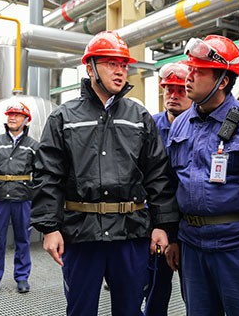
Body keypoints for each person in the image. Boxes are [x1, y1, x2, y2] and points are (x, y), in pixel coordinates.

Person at [31, 30, 180, 316]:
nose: (120, 71)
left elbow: (157, 174)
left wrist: (163, 225)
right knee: (81, 310)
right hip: (81, 234)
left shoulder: (139, 117)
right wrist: (49, 228)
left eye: (123, 65)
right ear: (90, 68)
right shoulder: (64, 117)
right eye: (111, 64)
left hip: (130, 234)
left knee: (130, 310)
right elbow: (47, 174)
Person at [165, 35, 239, 316]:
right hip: (192, 247)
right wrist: (173, 237)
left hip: (236, 249)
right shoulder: (180, 126)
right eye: (190, 68)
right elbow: (171, 186)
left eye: (198, 71)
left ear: (222, 81)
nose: (188, 77)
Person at [0, 101, 38, 297]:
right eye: (10, 114)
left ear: (26, 120)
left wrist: (39, 197)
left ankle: (22, 277)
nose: (12, 117)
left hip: (23, 197)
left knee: (23, 239)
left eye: (17, 115)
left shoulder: (33, 146)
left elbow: (41, 173)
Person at [146, 61, 191, 316]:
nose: (173, 95)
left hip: (190, 226)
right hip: (158, 226)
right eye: (168, 89)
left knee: (194, 293)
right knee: (155, 288)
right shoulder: (150, 126)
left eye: (180, 90)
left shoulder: (199, 126)